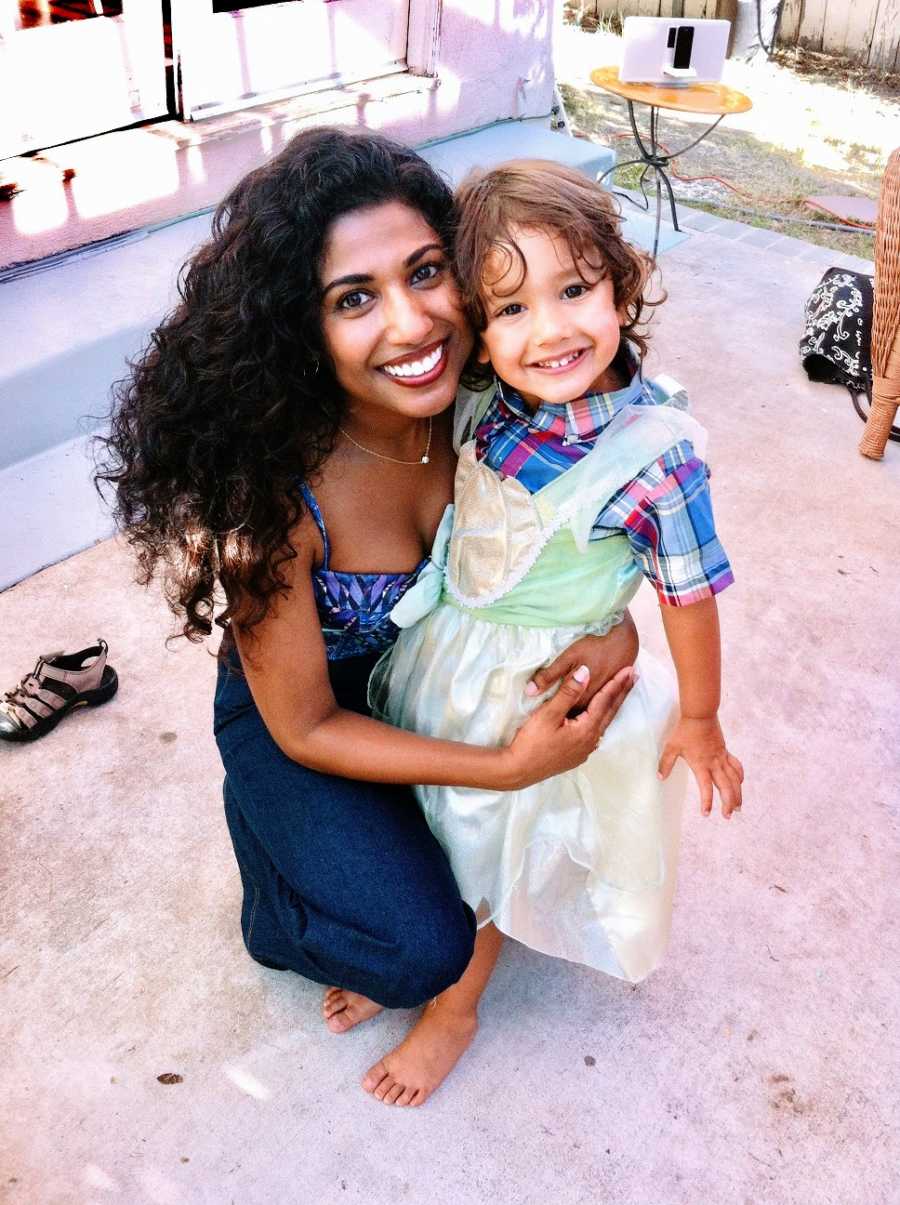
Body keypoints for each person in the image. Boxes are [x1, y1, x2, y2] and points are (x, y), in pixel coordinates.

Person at [95, 129, 640, 1109]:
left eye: (428, 271)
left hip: (439, 677)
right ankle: (275, 881)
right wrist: (504, 767)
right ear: (299, 329)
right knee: (418, 950)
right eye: (355, 297)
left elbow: (607, 527)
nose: (412, 320)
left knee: (574, 763)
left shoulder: (496, 400)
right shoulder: (269, 505)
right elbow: (305, 723)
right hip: (306, 719)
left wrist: (618, 630)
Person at [372, 159, 744, 1093]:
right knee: (427, 812)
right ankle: (408, 956)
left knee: (484, 844)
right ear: (478, 327)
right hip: (447, 655)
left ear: (621, 282)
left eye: (574, 289)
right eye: (511, 309)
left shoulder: (653, 459)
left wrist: (699, 717)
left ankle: (453, 1007)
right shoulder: (488, 400)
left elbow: (688, 598)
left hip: (530, 690)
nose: (551, 330)